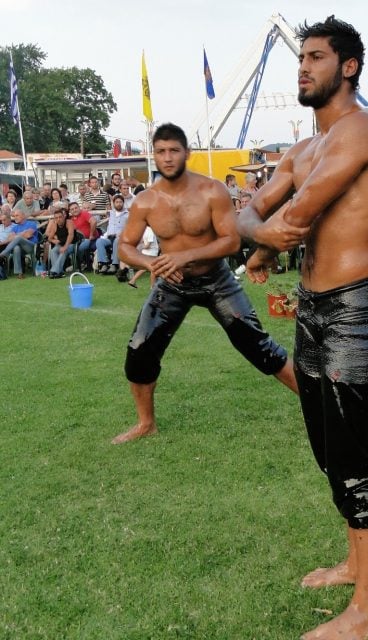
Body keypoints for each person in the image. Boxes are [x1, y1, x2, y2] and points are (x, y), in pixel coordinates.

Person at [237, 16, 368, 640]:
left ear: (348, 66)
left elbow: (288, 219)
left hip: (356, 310)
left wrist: (261, 239)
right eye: (299, 58)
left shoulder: (363, 130)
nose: (302, 67)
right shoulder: (301, 150)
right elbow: (251, 214)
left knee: (354, 456)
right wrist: (258, 235)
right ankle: (356, 563)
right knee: (329, 450)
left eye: (315, 57)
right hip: (312, 308)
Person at [111, 122, 297, 445]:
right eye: (161, 151)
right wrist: (150, 263)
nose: (167, 158)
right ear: (153, 155)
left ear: (187, 153)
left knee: (259, 347)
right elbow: (124, 246)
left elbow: (232, 242)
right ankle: (146, 424)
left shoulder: (212, 190)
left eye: (174, 150)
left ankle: (320, 407)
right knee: (139, 352)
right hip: (172, 285)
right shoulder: (145, 201)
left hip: (216, 280)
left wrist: (184, 257)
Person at [0, 209, 40, 278]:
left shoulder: (31, 224)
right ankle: (19, 273)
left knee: (18, 238)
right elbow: (10, 239)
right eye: (14, 216)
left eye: (17, 215)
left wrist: (18, 235)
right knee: (16, 248)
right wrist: (23, 233)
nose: (15, 217)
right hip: (21, 249)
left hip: (31, 246)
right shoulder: (15, 227)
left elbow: (28, 235)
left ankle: (4, 253)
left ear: (23, 216)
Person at [95, 194, 129, 274]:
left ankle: (114, 264)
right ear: (113, 204)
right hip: (109, 237)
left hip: (121, 237)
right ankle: (104, 263)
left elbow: (130, 228)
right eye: (117, 202)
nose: (119, 203)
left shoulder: (127, 214)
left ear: (123, 203)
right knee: (99, 241)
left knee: (117, 240)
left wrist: (122, 234)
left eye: (120, 202)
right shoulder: (111, 213)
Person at [46, 207, 79, 278]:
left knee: (63, 251)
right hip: (61, 244)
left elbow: (71, 235)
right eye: (56, 218)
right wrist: (54, 240)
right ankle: (59, 272)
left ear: (64, 216)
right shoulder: (55, 225)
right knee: (53, 251)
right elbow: (49, 238)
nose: (58, 219)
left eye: (60, 217)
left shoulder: (69, 222)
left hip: (71, 244)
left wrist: (65, 246)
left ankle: (54, 271)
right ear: (54, 219)